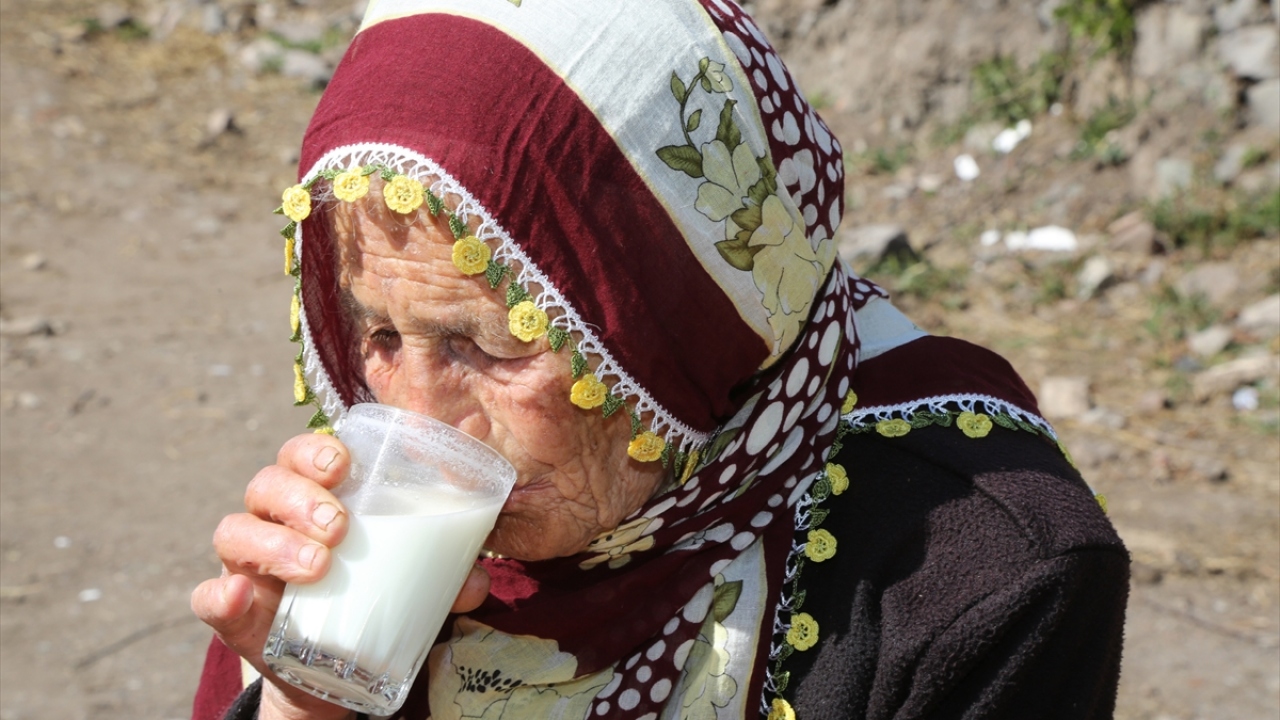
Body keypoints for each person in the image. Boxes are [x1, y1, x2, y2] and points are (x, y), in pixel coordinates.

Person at [191, 1, 1129, 718]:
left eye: (488, 342)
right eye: (380, 334)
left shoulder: (987, 579)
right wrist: (304, 706)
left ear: (668, 321)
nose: (417, 418)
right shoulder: (368, 547)